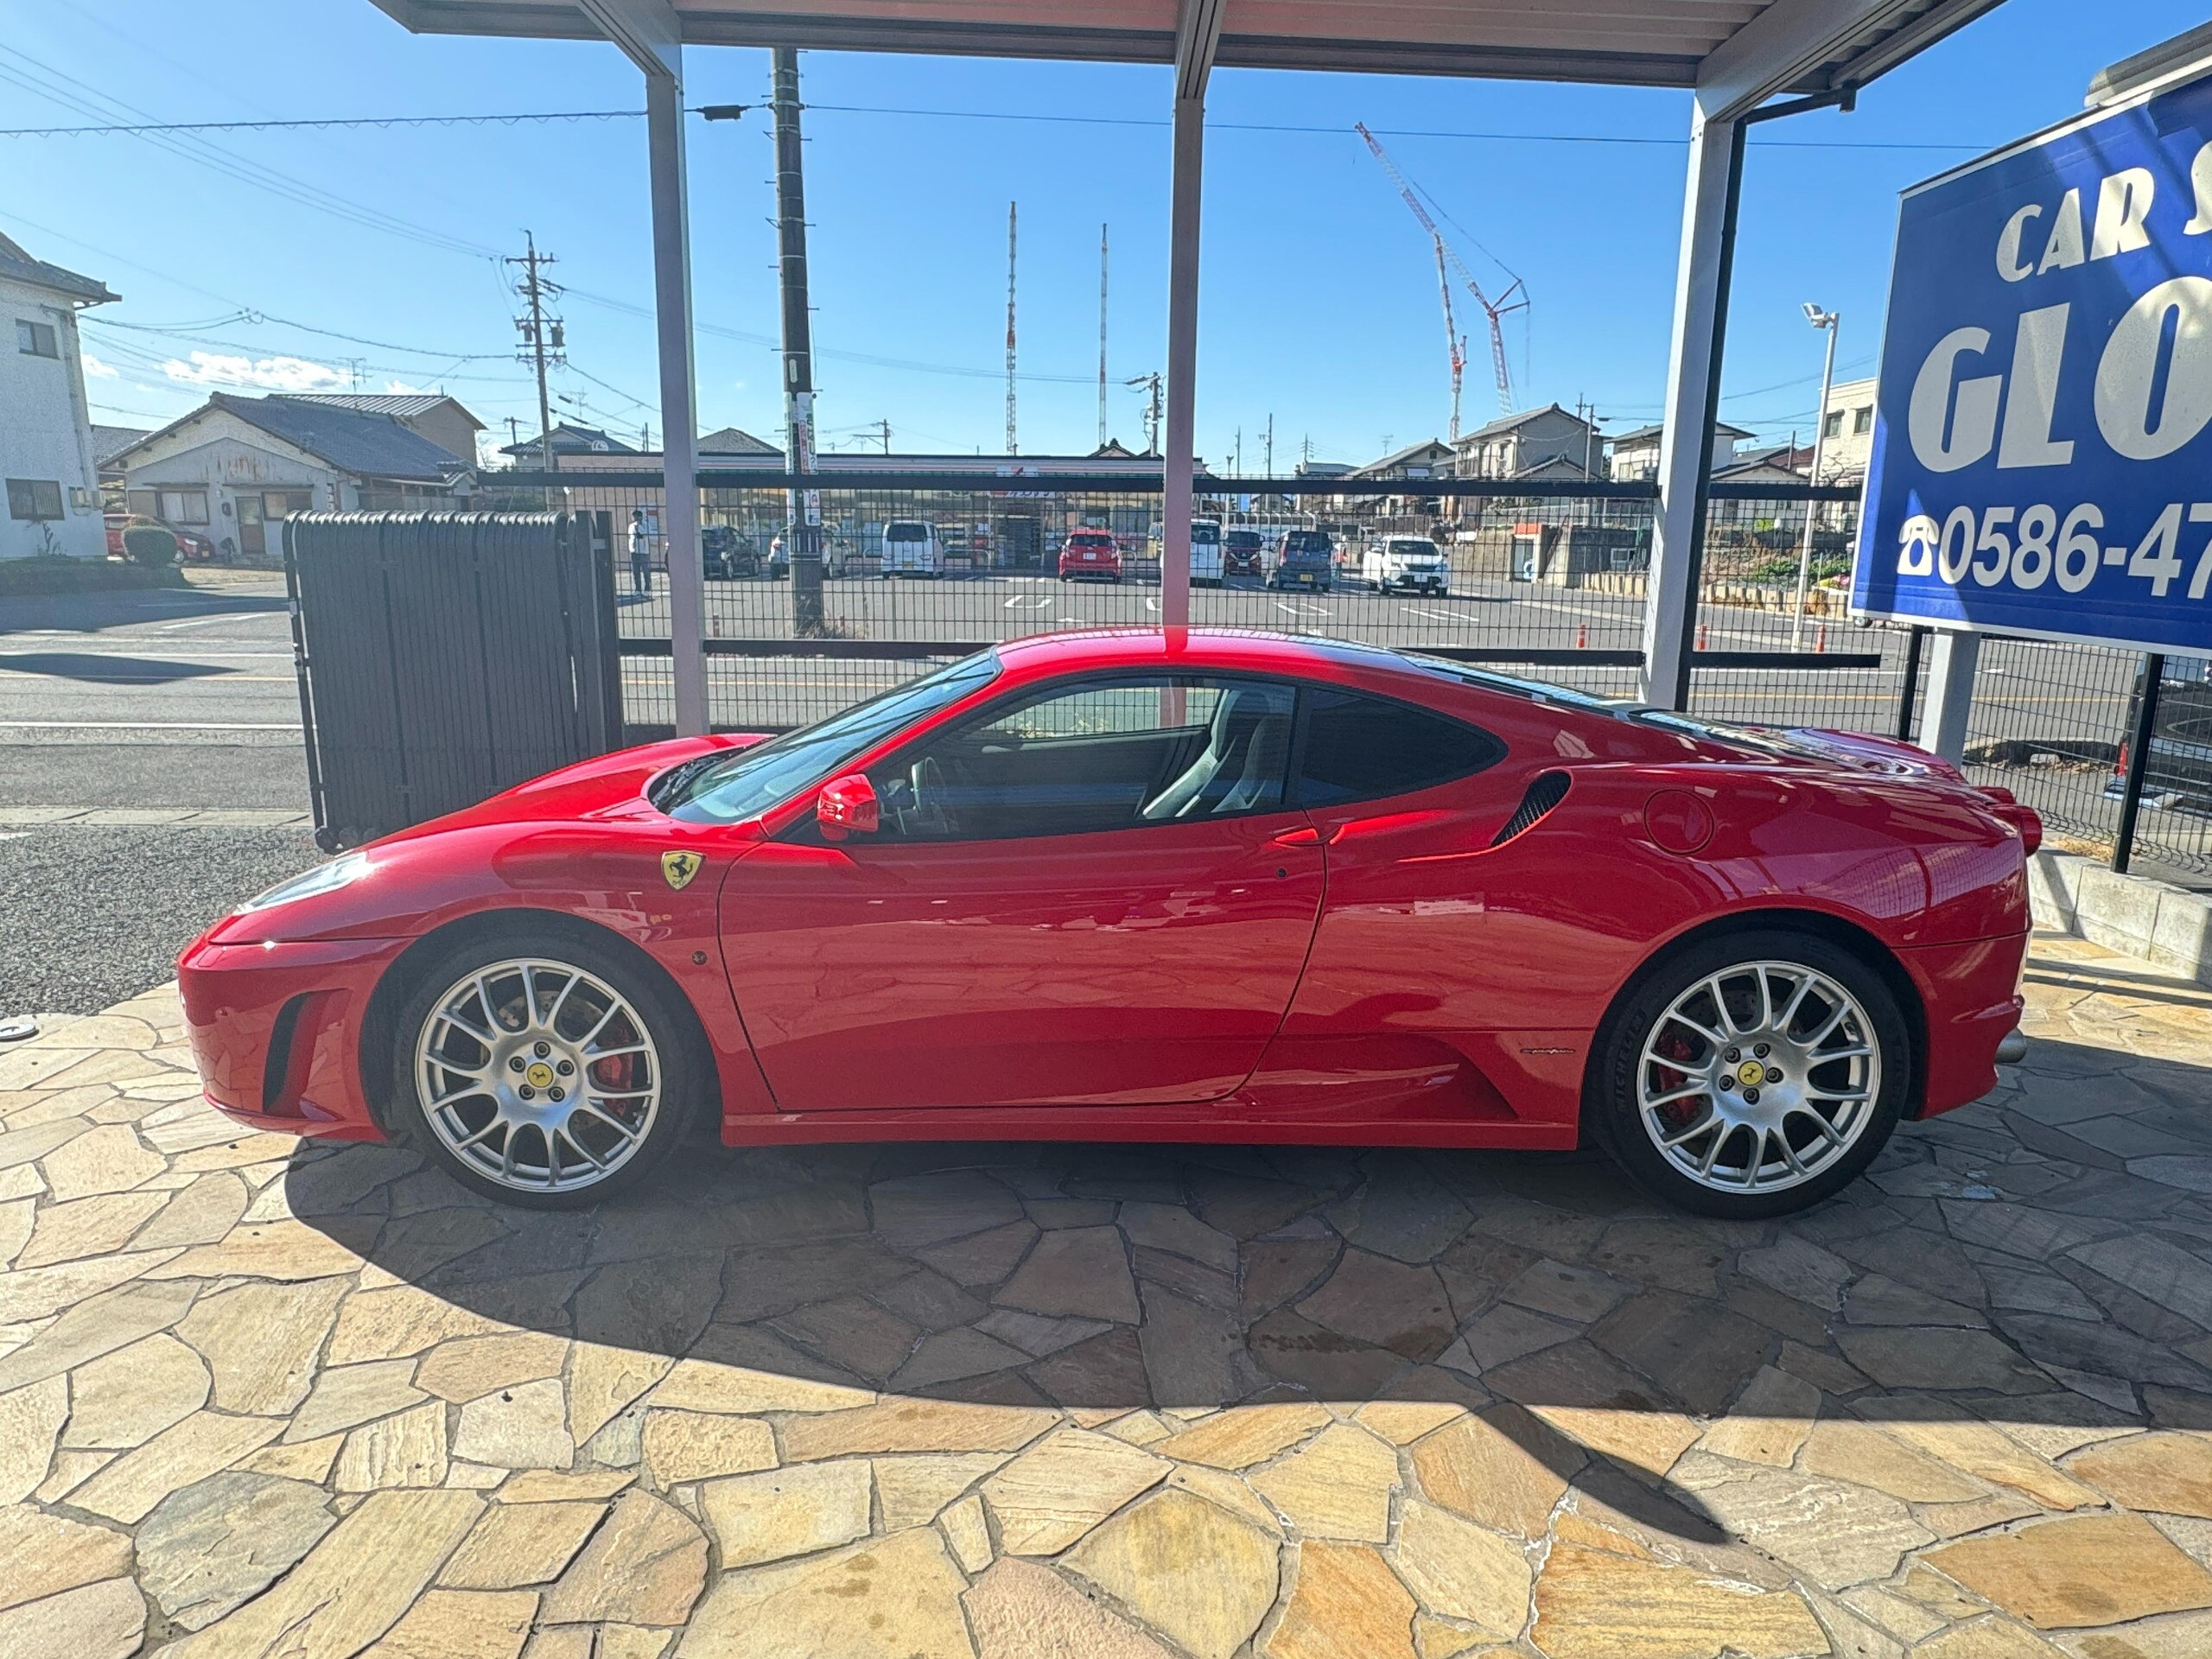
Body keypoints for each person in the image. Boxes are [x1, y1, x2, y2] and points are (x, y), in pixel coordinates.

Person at [628, 509, 651, 597]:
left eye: (635, 516)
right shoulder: (631, 526)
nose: (634, 518)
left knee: (645, 571)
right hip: (634, 551)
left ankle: (647, 589)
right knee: (635, 571)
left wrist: (641, 531)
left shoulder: (646, 525)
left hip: (644, 551)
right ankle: (637, 589)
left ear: (640, 517)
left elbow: (649, 534)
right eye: (633, 516)